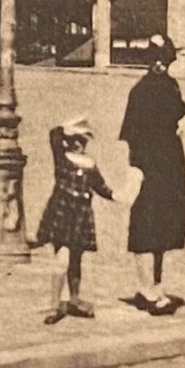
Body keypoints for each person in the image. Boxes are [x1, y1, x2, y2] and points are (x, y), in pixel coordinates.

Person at [119, 34, 185, 317]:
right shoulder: (139, 92)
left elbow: (181, 114)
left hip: (171, 166)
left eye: (165, 60)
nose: (160, 65)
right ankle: (146, 289)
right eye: (155, 60)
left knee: (166, 225)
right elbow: (132, 135)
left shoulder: (171, 87)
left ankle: (156, 286)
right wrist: (135, 169)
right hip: (148, 167)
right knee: (144, 226)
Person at [34, 115, 114, 325]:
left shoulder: (90, 164)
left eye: (83, 141)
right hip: (62, 214)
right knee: (62, 259)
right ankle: (55, 304)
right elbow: (54, 134)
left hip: (80, 216)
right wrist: (68, 127)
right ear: (69, 140)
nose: (79, 145)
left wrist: (118, 196)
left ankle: (74, 298)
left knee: (76, 259)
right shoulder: (62, 157)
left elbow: (101, 187)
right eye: (76, 140)